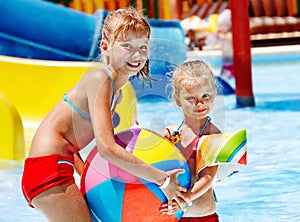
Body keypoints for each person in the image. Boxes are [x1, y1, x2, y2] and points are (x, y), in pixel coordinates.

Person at [21, 8, 190, 222]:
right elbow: (107, 148)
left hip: (55, 166)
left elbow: (69, 142)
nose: (137, 55)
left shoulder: (117, 91)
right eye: (127, 46)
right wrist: (162, 180)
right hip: (48, 169)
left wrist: (88, 180)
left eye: (142, 47)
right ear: (105, 47)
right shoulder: (100, 78)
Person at [161, 60, 221, 221]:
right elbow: (158, 168)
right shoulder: (170, 133)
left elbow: (208, 177)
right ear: (178, 99)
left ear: (214, 93)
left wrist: (185, 198)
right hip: (174, 216)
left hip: (202, 216)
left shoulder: (212, 135)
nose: (199, 103)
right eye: (190, 98)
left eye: (205, 96)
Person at [218, 9, 234, 80]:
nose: (220, 28)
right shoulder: (227, 36)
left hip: (229, 65)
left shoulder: (229, 36)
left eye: (222, 26)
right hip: (227, 65)